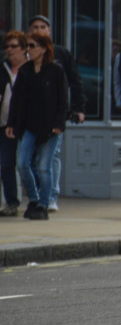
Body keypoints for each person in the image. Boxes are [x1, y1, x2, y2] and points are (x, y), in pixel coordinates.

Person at [4, 31, 68, 220]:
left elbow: (63, 101)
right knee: (23, 163)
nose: (29, 50)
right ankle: (34, 198)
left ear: (43, 48)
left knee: (43, 166)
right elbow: (17, 101)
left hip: (50, 128)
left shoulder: (56, 71)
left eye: (32, 46)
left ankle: (43, 203)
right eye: (27, 46)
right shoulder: (25, 71)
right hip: (30, 126)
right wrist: (12, 124)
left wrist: (58, 124)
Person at [28, 15, 85, 212]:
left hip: (54, 115)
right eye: (35, 27)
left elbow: (75, 81)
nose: (39, 30)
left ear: (50, 31)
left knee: (51, 156)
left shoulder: (61, 55)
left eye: (43, 27)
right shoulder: (26, 54)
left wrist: (78, 108)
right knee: (29, 160)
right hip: (30, 117)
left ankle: (50, 196)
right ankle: (37, 195)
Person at [0, 30, 26, 216]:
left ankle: (39, 200)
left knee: (28, 164)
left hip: (27, 125)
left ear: (24, 48)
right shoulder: (2, 69)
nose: (10, 50)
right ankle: (11, 202)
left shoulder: (31, 69)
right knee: (6, 163)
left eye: (14, 46)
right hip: (4, 124)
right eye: (7, 46)